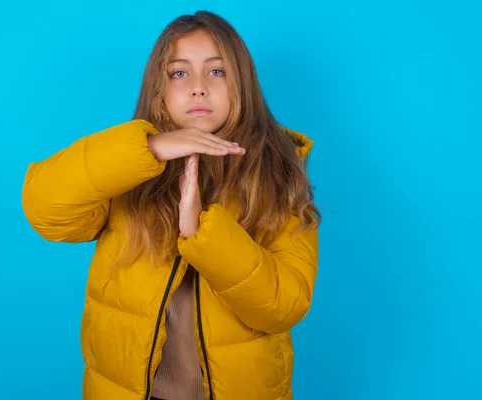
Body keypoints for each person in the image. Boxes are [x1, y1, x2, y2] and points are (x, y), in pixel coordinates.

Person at [22, 10, 321, 400]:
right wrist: (149, 148)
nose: (198, 87)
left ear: (241, 83)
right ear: (159, 89)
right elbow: (45, 209)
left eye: (217, 72)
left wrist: (203, 233)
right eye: (179, 73)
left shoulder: (279, 175)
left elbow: (283, 307)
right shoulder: (126, 172)